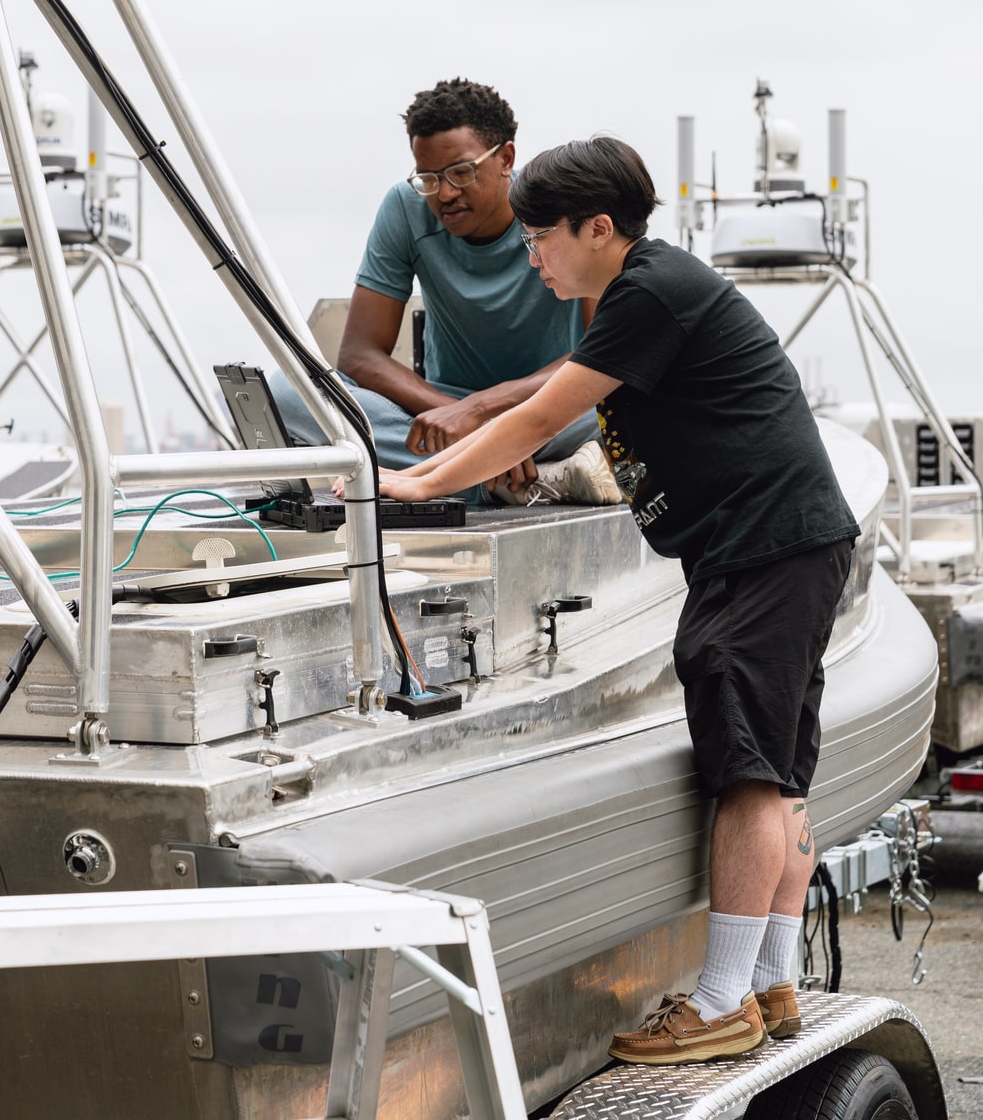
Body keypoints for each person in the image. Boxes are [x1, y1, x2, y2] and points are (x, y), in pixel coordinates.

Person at [374, 136, 859, 1063]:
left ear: (599, 229)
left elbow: (539, 415)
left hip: (762, 550)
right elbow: (565, 422)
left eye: (540, 237)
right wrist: (462, 473)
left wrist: (408, 488)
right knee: (782, 764)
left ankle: (720, 1002)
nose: (530, 256)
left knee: (750, 772)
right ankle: (772, 979)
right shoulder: (645, 290)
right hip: (779, 544)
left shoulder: (648, 291)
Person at [271, 78, 615, 502]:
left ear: (506, 157)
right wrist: (455, 414)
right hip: (439, 416)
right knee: (287, 391)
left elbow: (602, 351)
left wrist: (487, 415)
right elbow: (359, 354)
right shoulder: (404, 208)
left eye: (460, 172)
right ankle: (520, 479)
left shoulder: (555, 204)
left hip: (551, 407)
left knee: (623, 394)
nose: (445, 193)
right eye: (429, 178)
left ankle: (458, 477)